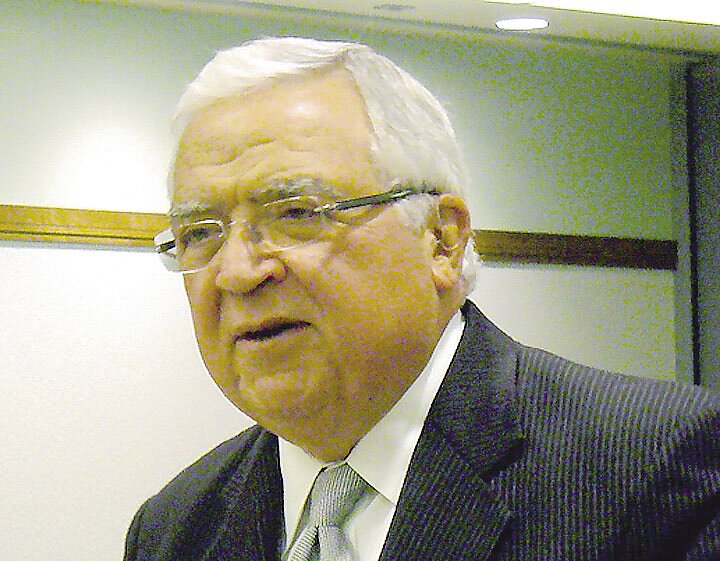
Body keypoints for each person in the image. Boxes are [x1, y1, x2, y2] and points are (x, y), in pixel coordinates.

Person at [125, 37, 720, 561]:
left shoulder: (655, 469)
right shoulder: (177, 527)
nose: (236, 272)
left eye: (297, 213)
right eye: (198, 234)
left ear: (441, 240)